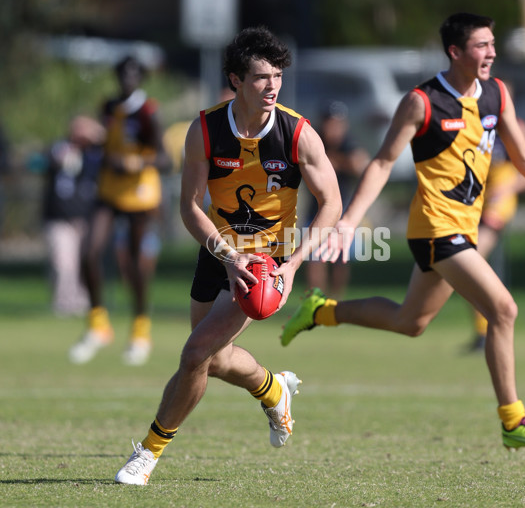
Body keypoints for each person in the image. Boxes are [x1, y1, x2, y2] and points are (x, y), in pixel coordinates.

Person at [282, 12, 525, 450]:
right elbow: (380, 162)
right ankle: (513, 420)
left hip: (464, 228)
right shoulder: (423, 101)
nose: (490, 52)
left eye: (492, 44)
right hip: (434, 227)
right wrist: (349, 221)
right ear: (455, 52)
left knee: (410, 322)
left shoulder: (496, 95)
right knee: (504, 310)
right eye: (480, 45)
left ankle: (320, 311)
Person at [114, 26, 341, 485]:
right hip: (218, 252)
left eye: (277, 76)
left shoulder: (298, 133)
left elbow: (332, 202)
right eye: (261, 77)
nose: (272, 86)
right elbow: (189, 206)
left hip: (267, 262)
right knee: (212, 359)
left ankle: (149, 453)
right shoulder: (206, 129)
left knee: (195, 351)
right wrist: (225, 255)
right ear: (236, 81)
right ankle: (274, 390)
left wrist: (292, 266)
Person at [69, 55, 172, 366]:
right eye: (123, 73)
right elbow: (107, 142)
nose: (127, 78)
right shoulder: (109, 107)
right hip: (110, 191)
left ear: (140, 77)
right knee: (88, 252)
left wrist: (135, 163)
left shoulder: (148, 113)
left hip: (140, 195)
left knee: (135, 265)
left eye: (133, 73)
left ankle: (140, 331)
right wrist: (91, 138)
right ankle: (98, 324)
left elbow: (165, 160)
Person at [465, 111, 525, 351]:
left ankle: (493, 323)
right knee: (464, 262)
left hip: (499, 196)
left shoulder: (518, 128)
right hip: (476, 194)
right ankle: (482, 329)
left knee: (472, 254)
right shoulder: (471, 123)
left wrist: (507, 188)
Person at [304, 100, 369, 299]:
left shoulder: (349, 143)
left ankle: (334, 302)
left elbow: (361, 164)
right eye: (329, 122)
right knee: (315, 258)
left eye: (337, 123)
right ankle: (315, 301)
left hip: (342, 212)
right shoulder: (315, 140)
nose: (333, 128)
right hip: (315, 210)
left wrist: (334, 161)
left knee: (341, 259)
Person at [42, 116, 105, 316]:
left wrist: (98, 136)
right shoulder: (61, 148)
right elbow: (58, 160)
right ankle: (63, 304)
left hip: (85, 219)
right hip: (59, 219)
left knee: (83, 263)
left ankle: (83, 303)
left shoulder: (95, 155)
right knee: (63, 263)